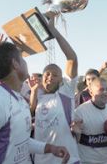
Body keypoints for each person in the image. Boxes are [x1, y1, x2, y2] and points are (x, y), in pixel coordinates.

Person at [0, 39, 70, 164]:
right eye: (22, 58)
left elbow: (19, 140)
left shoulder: (18, 97)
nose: (26, 63)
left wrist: (49, 148)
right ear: (15, 64)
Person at [29, 14, 80, 164]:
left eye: (55, 75)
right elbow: (29, 114)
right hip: (40, 160)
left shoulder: (66, 91)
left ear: (62, 79)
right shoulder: (38, 94)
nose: (50, 77)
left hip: (67, 159)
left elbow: (72, 58)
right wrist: (33, 93)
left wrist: (54, 31)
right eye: (47, 73)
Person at [72, 77, 107, 164]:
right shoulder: (80, 112)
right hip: (88, 161)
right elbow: (72, 142)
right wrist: (76, 134)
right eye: (101, 89)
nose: (106, 92)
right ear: (91, 92)